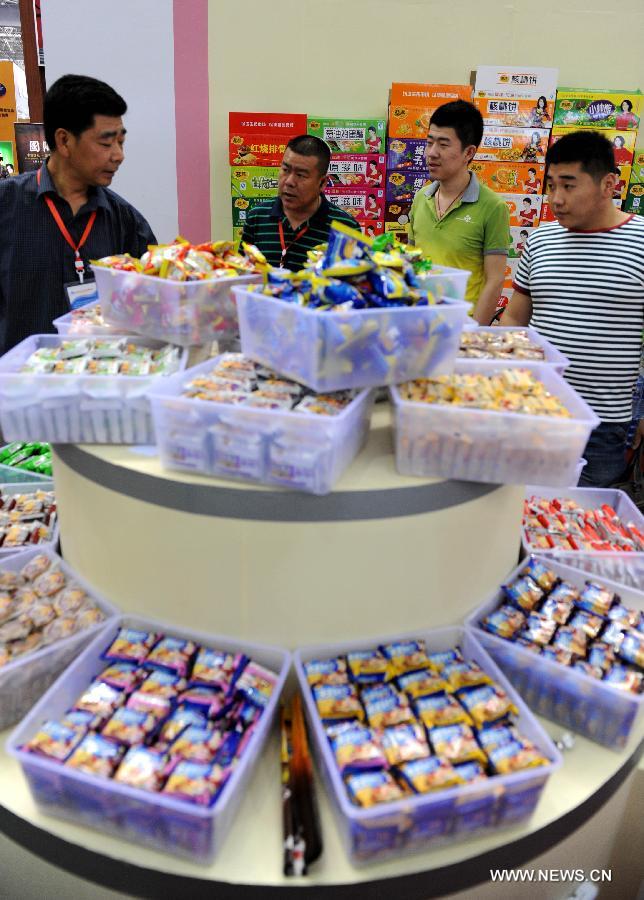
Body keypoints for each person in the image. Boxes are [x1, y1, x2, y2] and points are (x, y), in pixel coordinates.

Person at [502, 130, 644, 488]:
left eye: (568, 186)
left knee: (586, 524)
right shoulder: (540, 240)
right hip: (534, 412)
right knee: (519, 514)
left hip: (602, 423)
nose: (556, 198)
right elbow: (516, 318)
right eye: (551, 186)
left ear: (608, 184)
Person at [0, 74, 155, 355]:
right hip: (18, 385)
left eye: (121, 142)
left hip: (97, 381)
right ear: (64, 141)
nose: (118, 155)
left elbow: (152, 303)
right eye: (106, 144)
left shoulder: (126, 221)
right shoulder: (6, 206)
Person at [408, 100, 510, 324]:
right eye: (429, 143)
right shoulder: (420, 198)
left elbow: (494, 281)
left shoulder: (493, 207)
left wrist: (475, 333)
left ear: (468, 152)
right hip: (421, 322)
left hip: (462, 326)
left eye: (443, 145)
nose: (432, 153)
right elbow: (413, 264)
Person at [240, 135, 359, 271]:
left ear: (322, 183)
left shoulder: (346, 228)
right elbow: (241, 273)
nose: (289, 181)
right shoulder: (256, 218)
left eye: (301, 175)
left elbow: (352, 284)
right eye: (285, 170)